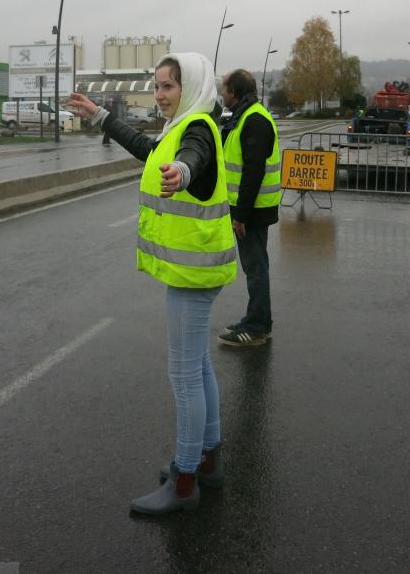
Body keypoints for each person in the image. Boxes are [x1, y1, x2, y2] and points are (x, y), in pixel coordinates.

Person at [65, 52, 235, 516]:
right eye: (157, 87)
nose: (160, 96)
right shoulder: (181, 125)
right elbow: (148, 149)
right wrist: (101, 116)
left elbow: (191, 159)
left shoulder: (196, 128)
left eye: (168, 87)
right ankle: (207, 459)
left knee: (183, 374)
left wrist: (182, 174)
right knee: (198, 365)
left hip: (193, 271)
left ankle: (184, 481)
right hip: (194, 268)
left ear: (191, 87)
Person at [216, 68, 280, 347]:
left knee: (255, 268)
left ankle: (256, 328)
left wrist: (240, 215)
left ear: (234, 91)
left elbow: (252, 172)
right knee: (255, 266)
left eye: (224, 88)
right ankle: (257, 321)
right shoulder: (244, 116)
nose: (221, 93)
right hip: (249, 208)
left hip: (252, 211)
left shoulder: (254, 120)